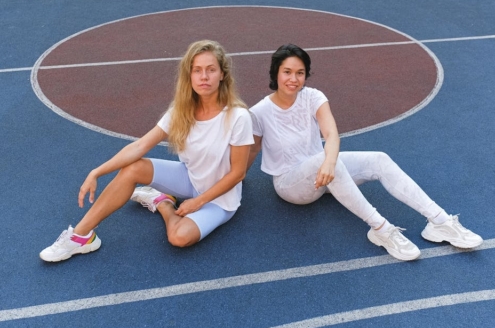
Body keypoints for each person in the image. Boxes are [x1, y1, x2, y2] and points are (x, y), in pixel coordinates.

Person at [247, 43, 482, 261]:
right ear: (275, 73)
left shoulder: (313, 97)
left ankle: (439, 221)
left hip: (324, 172)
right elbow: (252, 148)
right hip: (292, 185)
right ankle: (381, 229)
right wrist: (236, 180)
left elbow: (330, 133)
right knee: (330, 161)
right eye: (287, 71)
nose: (294, 78)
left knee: (379, 159)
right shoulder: (260, 112)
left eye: (300, 72)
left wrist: (328, 162)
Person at [40, 40, 254, 262]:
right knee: (133, 168)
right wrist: (97, 172)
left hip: (220, 199)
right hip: (191, 179)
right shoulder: (181, 111)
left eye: (211, 70)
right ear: (189, 76)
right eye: (197, 70)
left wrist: (198, 202)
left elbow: (238, 173)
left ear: (222, 75)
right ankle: (81, 237)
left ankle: (162, 203)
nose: (204, 77)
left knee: (179, 237)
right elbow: (140, 146)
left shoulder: (238, 117)